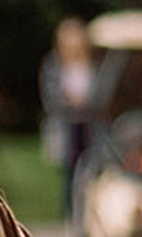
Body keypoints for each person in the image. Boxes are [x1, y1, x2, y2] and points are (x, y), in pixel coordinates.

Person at [39, 16, 100, 214]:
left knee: (93, 167)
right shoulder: (53, 65)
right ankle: (70, 213)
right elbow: (51, 96)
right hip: (67, 124)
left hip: (91, 123)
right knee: (71, 172)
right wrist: (69, 101)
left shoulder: (95, 65)